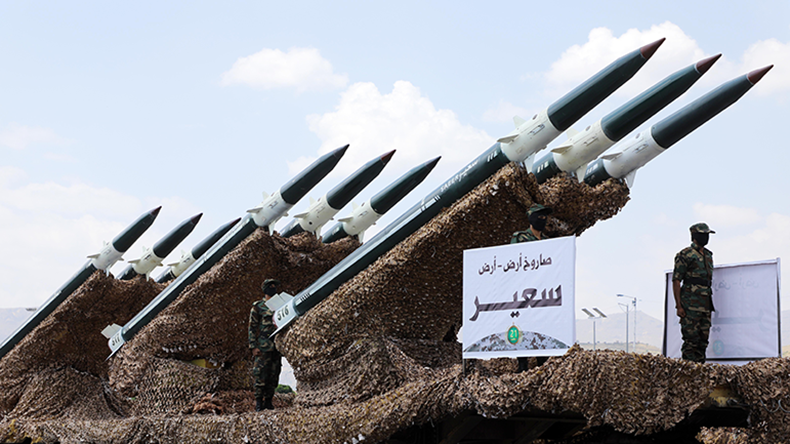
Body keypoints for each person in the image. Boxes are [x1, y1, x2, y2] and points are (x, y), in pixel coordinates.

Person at [510, 203, 552, 372]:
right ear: (531, 218)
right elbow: (513, 261)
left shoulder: (549, 242)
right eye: (539, 216)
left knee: (542, 329)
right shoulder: (520, 238)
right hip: (525, 292)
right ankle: (523, 366)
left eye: (544, 217)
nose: (542, 220)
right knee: (524, 329)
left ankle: (542, 364)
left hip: (543, 294)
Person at [672, 223, 715, 363]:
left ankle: (700, 375)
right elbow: (676, 280)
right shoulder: (685, 255)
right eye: (702, 235)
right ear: (694, 236)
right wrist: (679, 306)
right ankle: (689, 378)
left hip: (705, 304)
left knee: (703, 342)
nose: (705, 238)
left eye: (707, 235)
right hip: (690, 305)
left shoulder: (708, 255)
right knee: (691, 342)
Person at [248, 278, 283, 411]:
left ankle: (268, 401)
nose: (273, 288)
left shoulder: (281, 305)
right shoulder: (258, 306)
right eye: (271, 286)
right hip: (263, 347)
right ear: (265, 289)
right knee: (260, 375)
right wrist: (253, 346)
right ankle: (258, 402)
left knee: (274, 375)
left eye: (275, 286)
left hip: (276, 347)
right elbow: (252, 327)